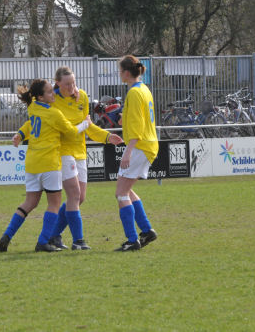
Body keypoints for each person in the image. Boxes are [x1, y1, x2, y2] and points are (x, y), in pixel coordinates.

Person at [14, 66, 124, 250]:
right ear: (58, 84)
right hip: (62, 152)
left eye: (73, 82)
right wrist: (21, 134)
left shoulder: (82, 97)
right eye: (67, 84)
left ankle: (53, 235)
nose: (72, 87)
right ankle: (78, 241)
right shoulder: (51, 99)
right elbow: (34, 119)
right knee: (74, 195)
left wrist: (106, 136)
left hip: (79, 151)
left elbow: (87, 125)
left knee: (80, 198)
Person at [0, 79, 92, 252]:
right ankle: (43, 241)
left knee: (30, 202)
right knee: (54, 204)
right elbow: (71, 132)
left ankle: (7, 236)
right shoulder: (54, 114)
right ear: (41, 96)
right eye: (49, 92)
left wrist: (19, 134)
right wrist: (86, 123)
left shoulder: (33, 107)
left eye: (52, 90)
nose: (53, 94)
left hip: (32, 163)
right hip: (49, 163)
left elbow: (29, 124)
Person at [114, 55, 159, 251]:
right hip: (148, 144)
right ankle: (147, 231)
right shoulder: (143, 89)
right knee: (127, 189)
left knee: (121, 193)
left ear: (125, 72)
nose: (119, 74)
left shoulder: (133, 92)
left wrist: (128, 151)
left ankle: (132, 240)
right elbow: (139, 118)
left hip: (140, 146)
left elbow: (139, 125)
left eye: (119, 70)